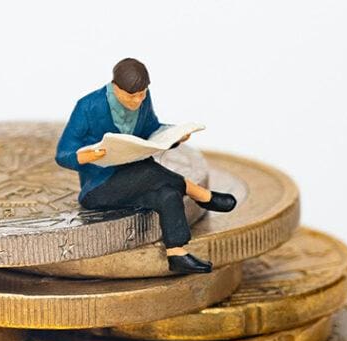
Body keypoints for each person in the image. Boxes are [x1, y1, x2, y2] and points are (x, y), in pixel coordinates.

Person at [55, 58, 237, 274]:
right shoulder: (88, 106)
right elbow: (63, 153)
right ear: (115, 88)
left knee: (168, 193)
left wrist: (174, 136)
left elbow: (151, 129)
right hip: (100, 187)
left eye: (142, 94)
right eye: (131, 96)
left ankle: (176, 253)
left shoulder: (143, 99)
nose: (138, 100)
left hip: (137, 179)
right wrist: (87, 156)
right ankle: (202, 195)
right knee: (148, 171)